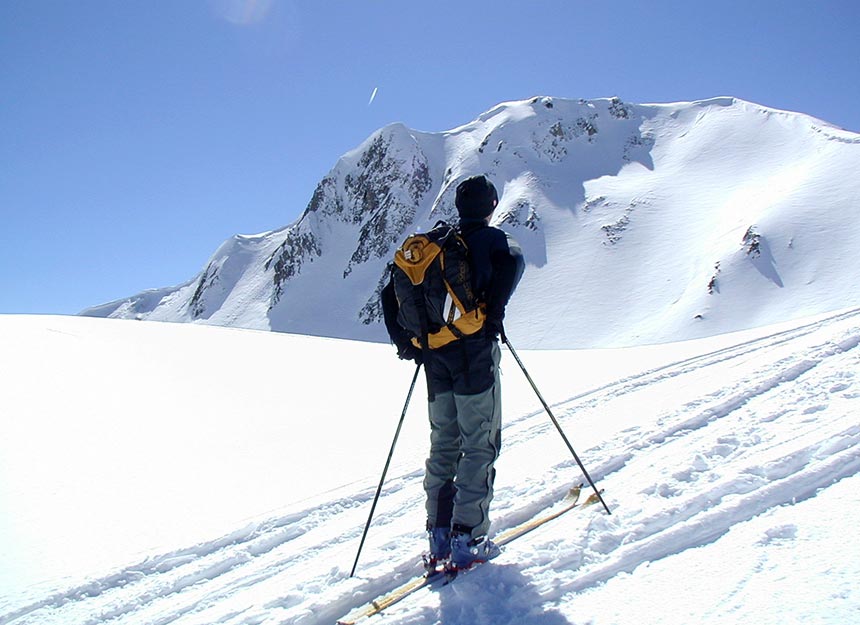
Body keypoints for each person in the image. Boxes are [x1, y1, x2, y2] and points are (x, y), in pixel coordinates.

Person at [381, 174, 525, 571]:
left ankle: (439, 536)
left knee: (443, 441)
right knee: (479, 442)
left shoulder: (433, 247)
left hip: (436, 358)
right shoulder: (493, 239)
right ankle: (469, 538)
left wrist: (405, 343)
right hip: (473, 353)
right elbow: (514, 262)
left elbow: (385, 293)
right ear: (492, 205)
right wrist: (494, 315)